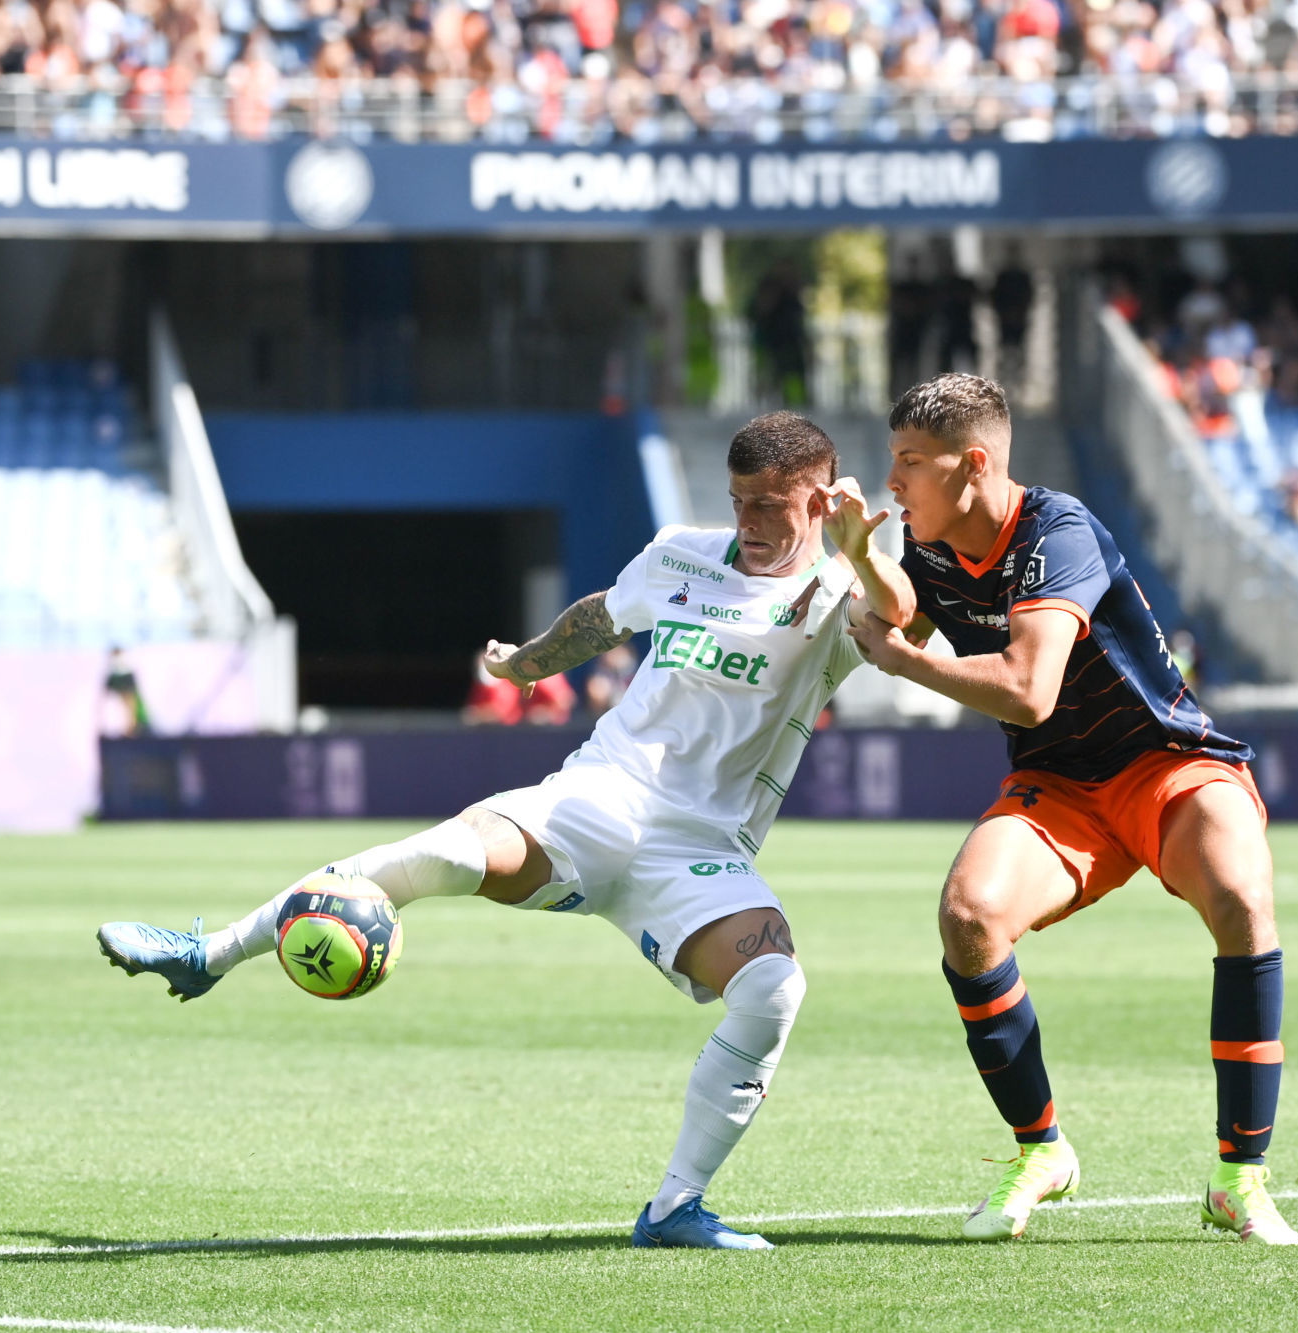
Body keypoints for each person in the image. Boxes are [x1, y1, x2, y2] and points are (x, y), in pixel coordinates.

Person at [97, 412, 914, 1251]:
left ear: (819, 498)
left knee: (774, 988)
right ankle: (211, 954)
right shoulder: (683, 553)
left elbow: (907, 620)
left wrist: (859, 552)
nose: (747, 523)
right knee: (446, 850)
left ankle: (674, 1208)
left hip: (700, 852)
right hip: (596, 798)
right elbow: (603, 615)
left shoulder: (839, 591)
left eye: (768, 505)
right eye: (738, 500)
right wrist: (525, 662)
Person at [849, 374, 1298, 1245]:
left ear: (973, 465)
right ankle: (1042, 1149)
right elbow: (900, 605)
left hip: (1165, 762)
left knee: (1243, 903)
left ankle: (1240, 1179)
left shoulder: (1058, 531)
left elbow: (1027, 691)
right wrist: (860, 554)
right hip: (1059, 788)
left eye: (910, 463)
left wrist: (904, 664)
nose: (894, 480)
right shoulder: (928, 537)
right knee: (969, 918)